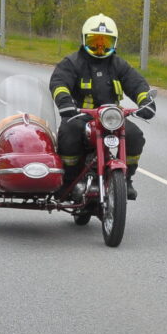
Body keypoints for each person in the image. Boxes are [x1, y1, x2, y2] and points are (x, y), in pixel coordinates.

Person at [49, 14, 154, 200]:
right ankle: (68, 180)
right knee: (68, 133)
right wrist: (65, 103)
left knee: (135, 136)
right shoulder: (72, 62)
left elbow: (136, 83)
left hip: (111, 118)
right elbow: (59, 82)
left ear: (114, 43)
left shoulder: (118, 64)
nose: (100, 47)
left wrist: (146, 101)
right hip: (79, 116)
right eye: (94, 41)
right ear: (84, 40)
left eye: (105, 42)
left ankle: (127, 178)